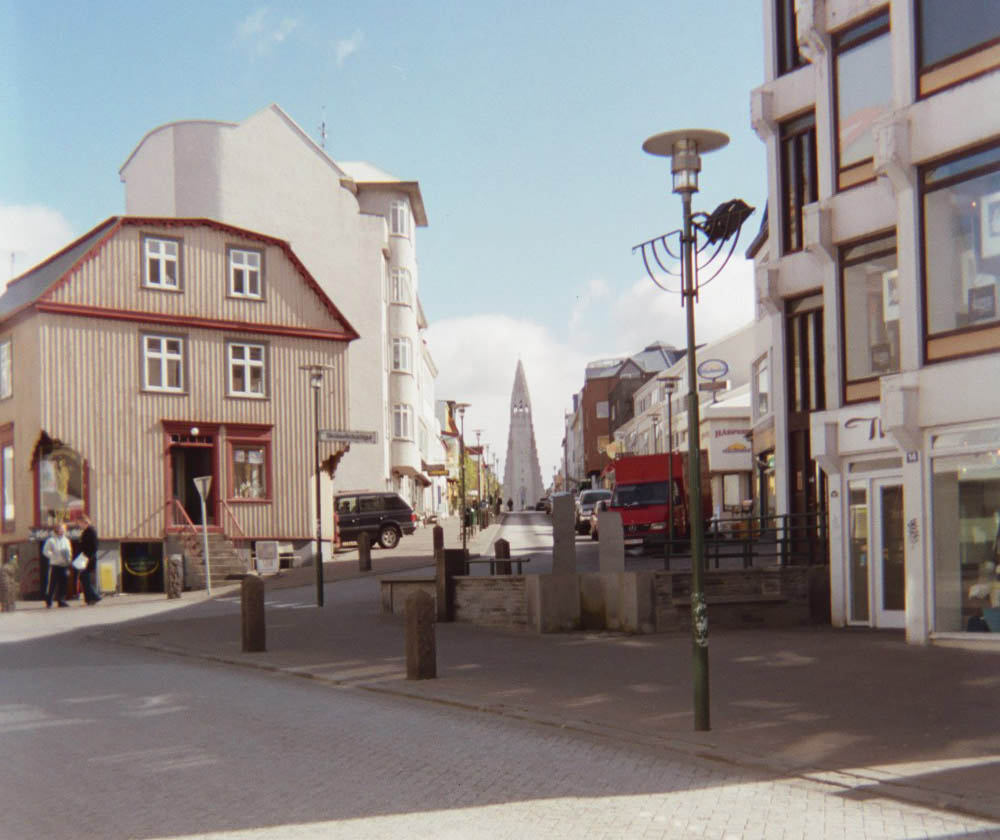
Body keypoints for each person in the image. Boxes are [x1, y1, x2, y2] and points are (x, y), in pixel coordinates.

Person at [42, 523, 72, 608]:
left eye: (64, 529)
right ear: (57, 529)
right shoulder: (51, 540)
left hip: (64, 564)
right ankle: (49, 601)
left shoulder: (66, 540)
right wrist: (53, 556)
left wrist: (69, 559)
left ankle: (61, 600)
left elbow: (69, 551)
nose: (63, 531)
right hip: (55, 565)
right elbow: (45, 551)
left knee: (63, 583)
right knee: (52, 583)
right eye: (61, 529)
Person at [78, 514, 102, 605]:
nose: (79, 525)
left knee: (85, 577)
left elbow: (94, 547)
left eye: (80, 523)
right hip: (85, 558)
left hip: (88, 558)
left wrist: (88, 557)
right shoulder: (85, 531)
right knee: (84, 578)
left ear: (85, 522)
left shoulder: (91, 531)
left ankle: (95, 596)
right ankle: (89, 599)